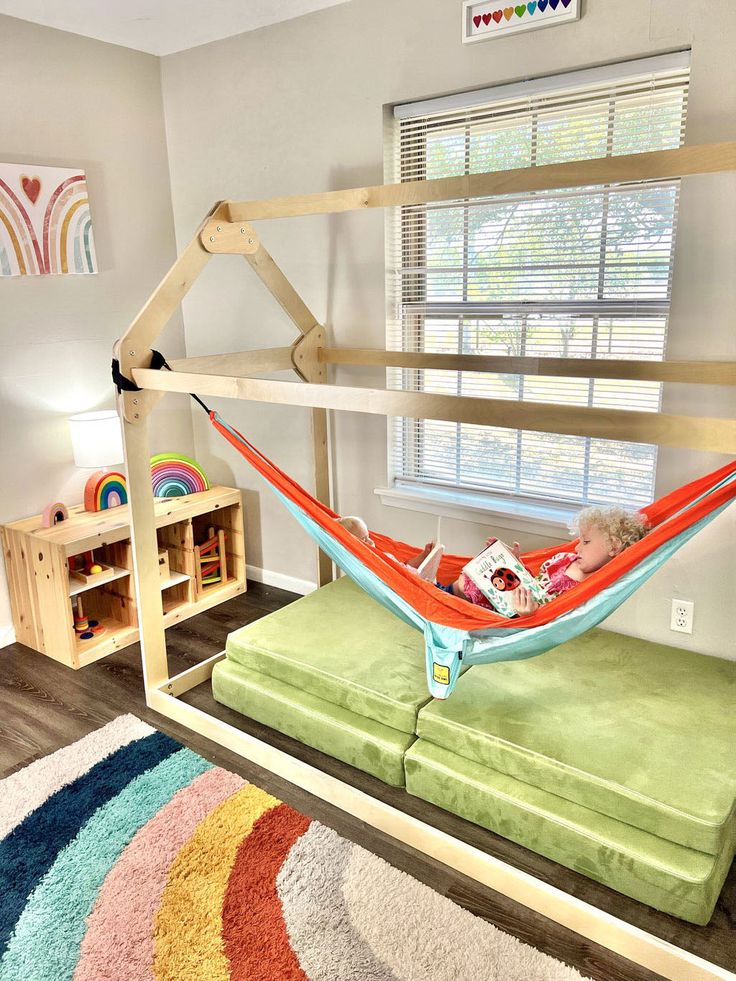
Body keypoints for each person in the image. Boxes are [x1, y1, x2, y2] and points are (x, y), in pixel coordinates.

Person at [437, 505, 649, 616]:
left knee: (468, 584)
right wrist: (514, 563)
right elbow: (536, 584)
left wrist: (529, 614)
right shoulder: (569, 560)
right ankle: (433, 589)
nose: (577, 547)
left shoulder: (593, 586)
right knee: (471, 577)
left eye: (585, 541)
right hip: (516, 595)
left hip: (518, 614)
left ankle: (434, 594)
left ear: (614, 547)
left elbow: (551, 620)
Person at [335, 516, 443, 581]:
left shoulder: (380, 556)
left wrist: (424, 555)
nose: (371, 541)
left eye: (368, 536)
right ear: (351, 547)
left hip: (421, 579)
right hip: (418, 587)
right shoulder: (371, 566)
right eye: (364, 540)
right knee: (454, 590)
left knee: (455, 586)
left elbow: (405, 566)